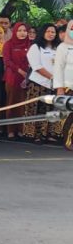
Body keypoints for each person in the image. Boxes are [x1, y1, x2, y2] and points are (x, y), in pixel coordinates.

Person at [26, 23, 60, 144]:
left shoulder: (57, 48)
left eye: (53, 32)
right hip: (38, 83)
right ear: (43, 33)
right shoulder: (35, 47)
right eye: (48, 31)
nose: (51, 34)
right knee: (38, 109)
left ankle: (49, 134)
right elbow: (37, 66)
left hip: (55, 84)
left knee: (52, 109)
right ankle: (35, 134)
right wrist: (51, 77)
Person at [2, 22, 32, 139]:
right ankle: (10, 130)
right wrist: (20, 71)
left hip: (27, 78)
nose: (22, 33)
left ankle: (21, 129)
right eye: (19, 30)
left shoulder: (30, 45)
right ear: (15, 31)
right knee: (11, 103)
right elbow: (7, 61)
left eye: (24, 30)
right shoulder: (9, 44)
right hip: (13, 78)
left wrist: (27, 74)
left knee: (23, 105)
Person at [52, 21, 73, 150]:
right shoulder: (63, 47)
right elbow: (58, 68)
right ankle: (68, 141)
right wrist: (59, 88)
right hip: (67, 86)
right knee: (68, 116)